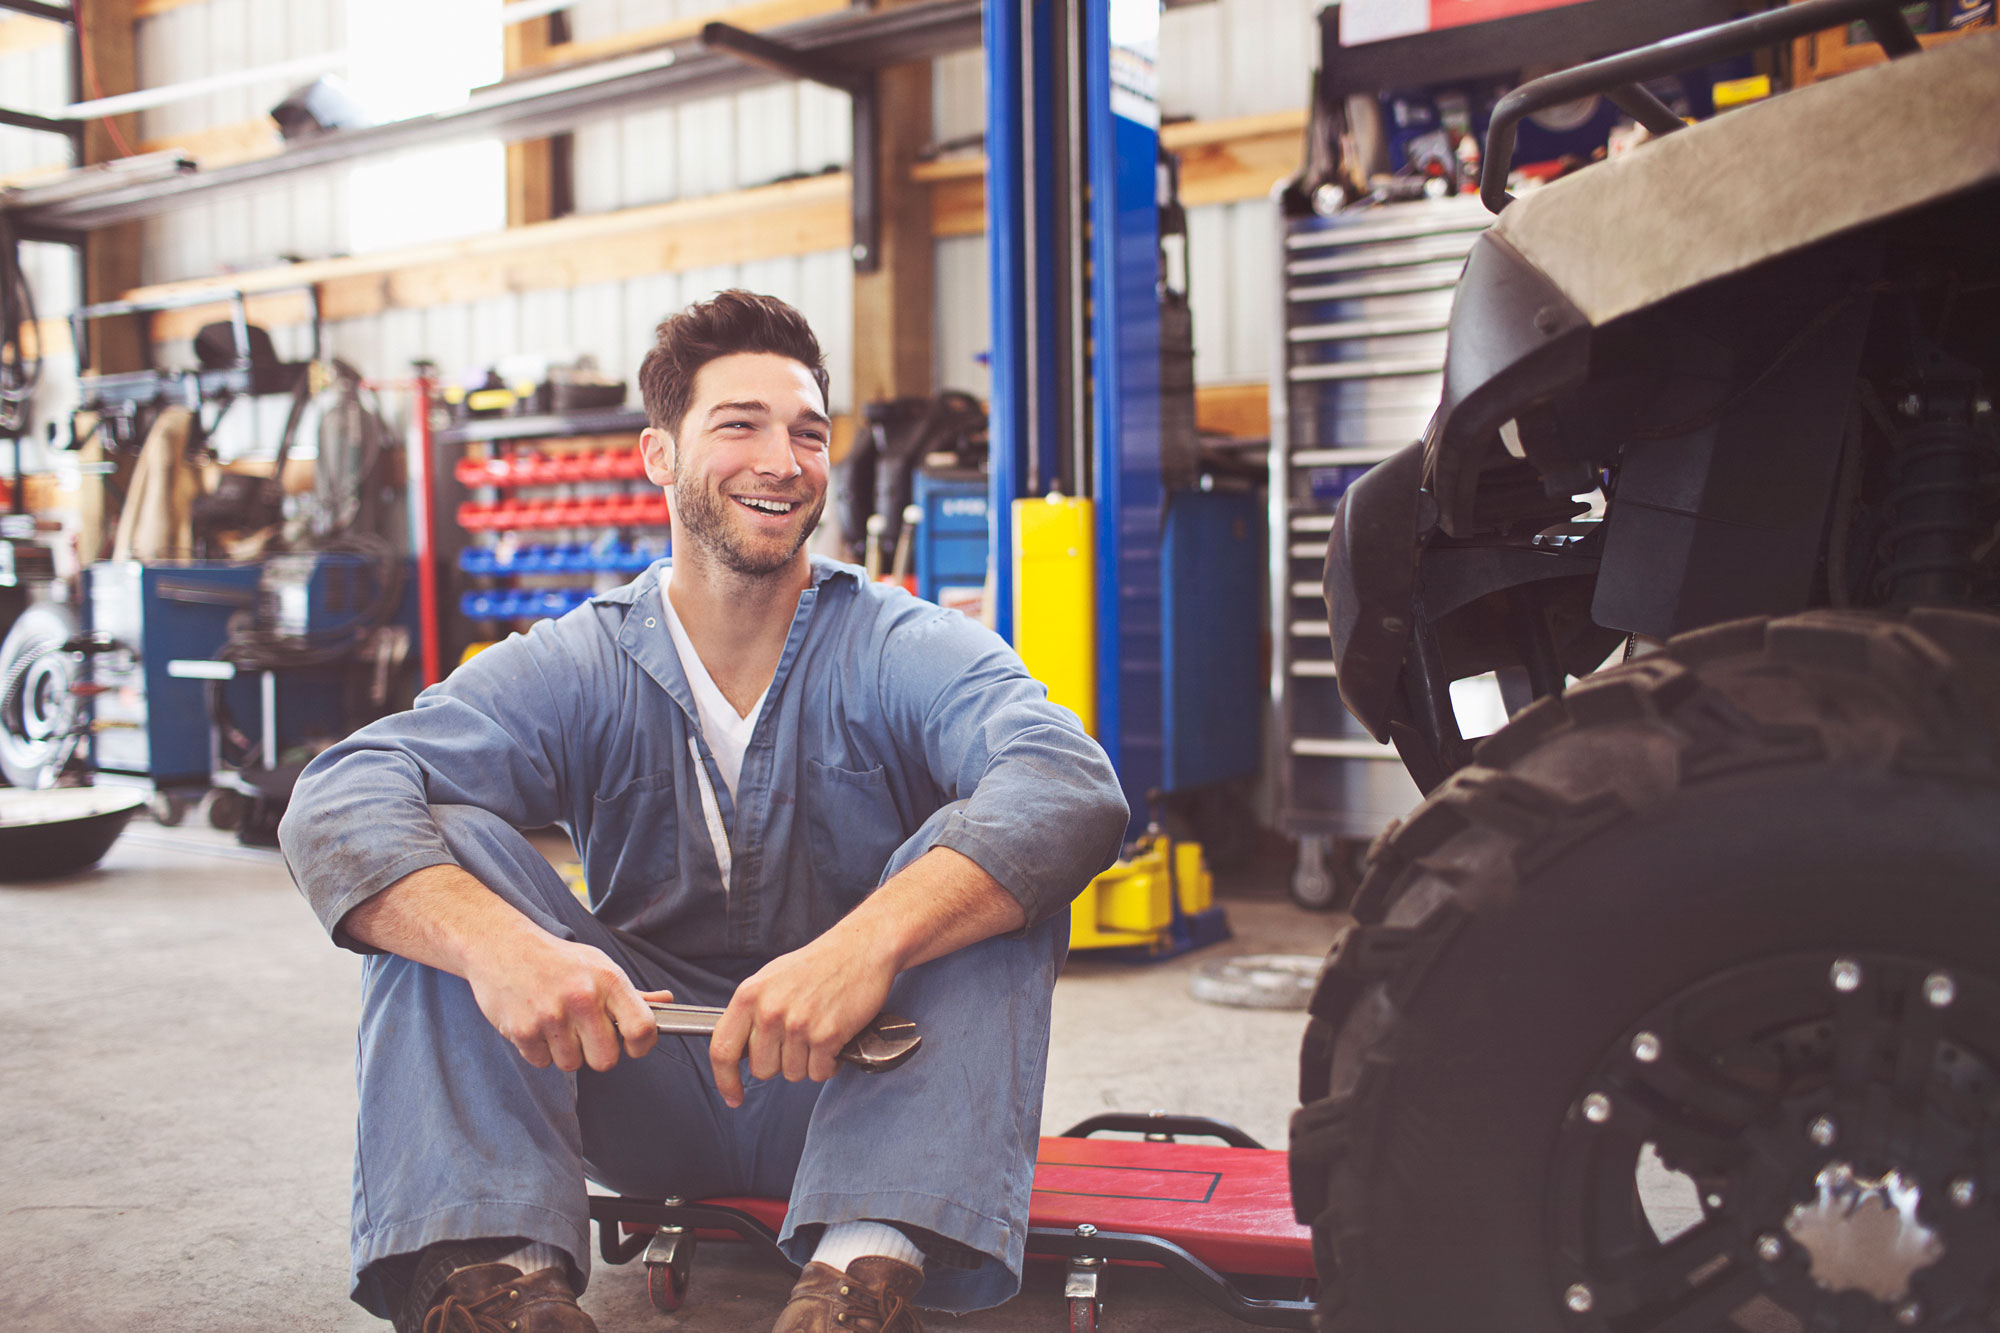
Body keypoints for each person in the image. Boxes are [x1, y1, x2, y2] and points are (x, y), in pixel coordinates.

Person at [278, 289, 1129, 1333]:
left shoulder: (901, 645)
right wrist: (501, 946)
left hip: (861, 1076)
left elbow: (1067, 781)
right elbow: (340, 792)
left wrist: (864, 945)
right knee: (443, 852)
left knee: (991, 866)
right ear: (659, 456)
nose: (782, 459)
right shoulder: (580, 660)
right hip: (638, 1072)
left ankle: (858, 1281)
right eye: (740, 426)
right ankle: (494, 1288)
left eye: (807, 433)